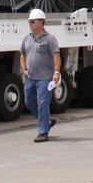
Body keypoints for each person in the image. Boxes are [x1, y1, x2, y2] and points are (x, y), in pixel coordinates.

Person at [20, 8, 62, 143]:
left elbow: (56, 55)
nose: (30, 24)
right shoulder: (27, 38)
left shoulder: (50, 39)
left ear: (41, 22)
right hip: (30, 78)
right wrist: (23, 70)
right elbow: (22, 55)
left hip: (44, 78)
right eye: (29, 22)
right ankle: (47, 121)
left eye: (33, 21)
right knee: (28, 102)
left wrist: (56, 72)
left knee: (42, 104)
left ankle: (43, 132)